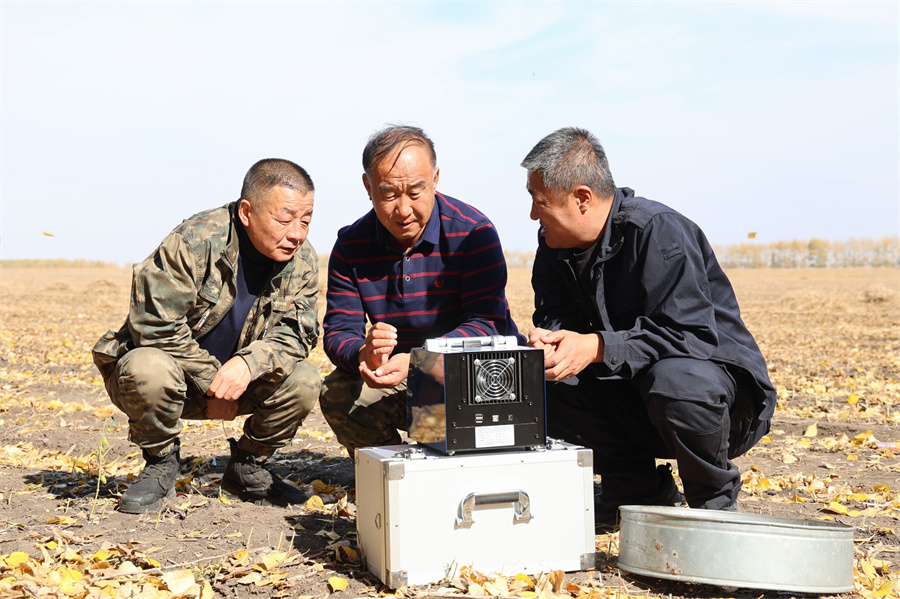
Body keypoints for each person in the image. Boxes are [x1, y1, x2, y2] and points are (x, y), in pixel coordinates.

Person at [522, 127, 776, 523]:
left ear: (582, 198)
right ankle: (634, 491)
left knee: (676, 379)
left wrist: (597, 347)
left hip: (723, 406)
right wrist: (553, 341)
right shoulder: (553, 245)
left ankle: (715, 508)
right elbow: (557, 313)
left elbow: (690, 335)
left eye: (540, 202)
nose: (534, 214)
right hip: (637, 398)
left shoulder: (658, 231)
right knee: (542, 379)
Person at [92, 159, 321, 514]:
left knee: (304, 378)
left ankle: (247, 469)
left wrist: (248, 365)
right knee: (146, 366)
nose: (297, 233)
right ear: (247, 212)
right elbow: (154, 325)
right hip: (174, 383)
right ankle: (161, 464)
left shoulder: (302, 261)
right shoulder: (194, 241)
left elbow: (298, 333)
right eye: (284, 218)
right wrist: (212, 380)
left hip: (242, 384)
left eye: (305, 219)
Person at [319, 125, 523, 455]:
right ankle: (395, 474)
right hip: (401, 379)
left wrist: (421, 359)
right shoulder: (350, 246)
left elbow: (487, 323)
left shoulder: (474, 233)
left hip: (474, 377)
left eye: (415, 192)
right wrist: (363, 353)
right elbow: (339, 331)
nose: (403, 210)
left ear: (436, 179)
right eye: (388, 194)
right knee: (339, 394)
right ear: (367, 187)